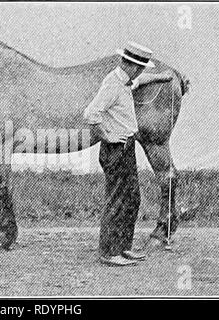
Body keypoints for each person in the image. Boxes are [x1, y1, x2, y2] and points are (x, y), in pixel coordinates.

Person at [84, 42, 173, 266]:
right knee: (117, 199)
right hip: (116, 149)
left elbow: (139, 82)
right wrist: (107, 136)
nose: (142, 72)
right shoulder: (113, 84)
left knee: (131, 199)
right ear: (132, 66)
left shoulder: (124, 81)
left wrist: (161, 77)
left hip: (126, 147)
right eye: (141, 68)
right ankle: (108, 252)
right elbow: (91, 113)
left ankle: (123, 247)